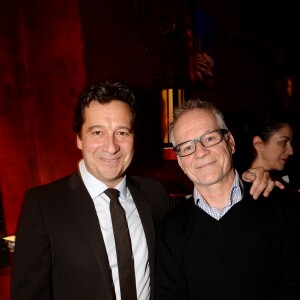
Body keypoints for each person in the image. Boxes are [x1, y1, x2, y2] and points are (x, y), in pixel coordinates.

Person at [11, 81, 278, 300]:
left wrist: (251, 175)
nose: (111, 146)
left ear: (134, 138)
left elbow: (207, 208)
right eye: (97, 132)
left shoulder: (153, 195)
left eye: (122, 133)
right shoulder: (43, 206)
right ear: (79, 138)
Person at [155, 98, 300, 299]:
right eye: (187, 147)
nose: (201, 152)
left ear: (230, 142)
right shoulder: (170, 230)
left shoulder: (280, 206)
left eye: (209, 138)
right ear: (180, 162)